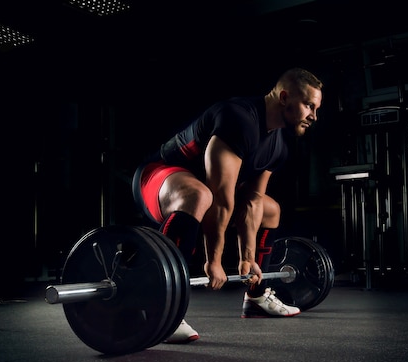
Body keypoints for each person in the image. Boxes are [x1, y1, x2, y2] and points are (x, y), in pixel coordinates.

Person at [132, 68, 323, 343]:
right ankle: (158, 305)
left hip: (201, 192)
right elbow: (221, 199)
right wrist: (214, 261)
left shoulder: (278, 144)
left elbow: (252, 201)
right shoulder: (239, 118)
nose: (314, 116)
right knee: (202, 195)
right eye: (309, 106)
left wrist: (248, 259)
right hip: (155, 178)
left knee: (271, 210)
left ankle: (256, 296)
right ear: (284, 97)